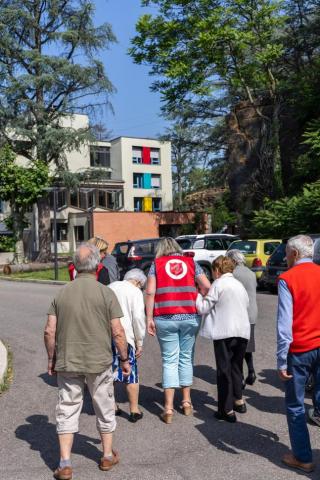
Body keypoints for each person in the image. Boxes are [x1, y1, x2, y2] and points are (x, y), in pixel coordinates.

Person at [44, 243, 131, 480]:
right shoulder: (106, 292)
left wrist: (51, 359)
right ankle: (106, 455)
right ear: (97, 265)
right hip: (99, 361)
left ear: (75, 265)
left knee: (67, 408)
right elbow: (118, 332)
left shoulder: (61, 292)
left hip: (68, 361)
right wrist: (124, 358)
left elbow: (50, 331)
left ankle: (64, 463)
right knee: (104, 405)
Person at [145, 237, 210, 424]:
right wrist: (200, 301)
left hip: (164, 317)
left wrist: (149, 318)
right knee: (186, 357)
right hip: (190, 316)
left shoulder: (156, 264)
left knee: (169, 360)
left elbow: (150, 292)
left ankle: (168, 408)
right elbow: (206, 286)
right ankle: (187, 402)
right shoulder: (191, 263)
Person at [277, 234, 320, 473]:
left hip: (301, 349)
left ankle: (303, 457)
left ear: (294, 254)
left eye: (286, 254)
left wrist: (281, 360)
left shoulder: (288, 278)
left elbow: (285, 325)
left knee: (295, 405)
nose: (285, 258)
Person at [197, 256, 250, 423]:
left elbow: (203, 307)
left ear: (217, 270)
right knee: (236, 367)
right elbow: (246, 304)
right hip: (242, 331)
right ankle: (238, 401)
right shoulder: (239, 284)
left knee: (223, 371)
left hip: (224, 332)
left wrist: (198, 295)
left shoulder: (218, 284)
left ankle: (226, 410)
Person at [109, 269, 147, 423]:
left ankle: (112, 406)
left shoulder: (110, 286)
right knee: (131, 373)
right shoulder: (135, 292)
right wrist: (139, 341)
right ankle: (134, 410)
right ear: (138, 282)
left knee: (109, 371)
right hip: (125, 336)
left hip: (106, 335)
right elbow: (138, 318)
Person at [226, 249, 258, 386]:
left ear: (232, 260)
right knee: (247, 346)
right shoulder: (251, 273)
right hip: (252, 313)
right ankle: (251, 370)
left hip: (238, 314)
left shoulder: (232, 274)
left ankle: (240, 378)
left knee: (237, 349)